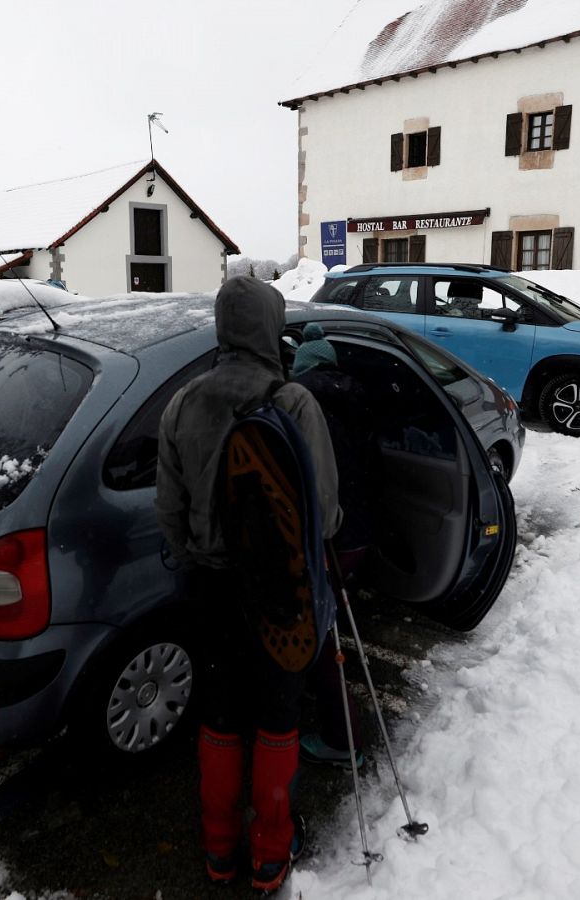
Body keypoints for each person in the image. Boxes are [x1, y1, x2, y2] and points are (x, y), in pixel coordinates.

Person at [155, 276, 341, 892]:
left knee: (220, 714)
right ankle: (269, 856)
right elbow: (326, 515)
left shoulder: (182, 402)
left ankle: (218, 850)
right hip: (278, 592)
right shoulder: (293, 404)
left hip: (209, 589)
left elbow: (169, 510)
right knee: (278, 716)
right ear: (270, 325)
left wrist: (194, 557)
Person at [290, 323, 370, 770]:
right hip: (360, 530)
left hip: (330, 534)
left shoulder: (301, 402)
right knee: (332, 623)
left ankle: (344, 739)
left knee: (323, 637)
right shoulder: (354, 395)